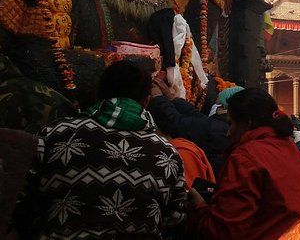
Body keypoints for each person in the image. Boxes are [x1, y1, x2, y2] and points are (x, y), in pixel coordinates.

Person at [12, 60, 186, 239]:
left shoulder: (54, 134)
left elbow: (19, 200)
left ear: (99, 93)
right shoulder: (167, 154)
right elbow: (174, 219)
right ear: (146, 100)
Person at [187, 88, 300, 240]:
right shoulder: (290, 149)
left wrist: (199, 209)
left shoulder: (246, 157)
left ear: (247, 124)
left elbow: (225, 232)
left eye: (231, 124)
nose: (228, 133)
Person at [148, 77, 242, 174]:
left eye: (218, 103)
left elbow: (178, 122)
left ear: (225, 108)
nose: (215, 106)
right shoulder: (220, 124)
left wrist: (158, 98)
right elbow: (197, 116)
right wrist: (172, 98)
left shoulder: (216, 129)